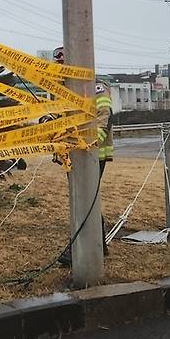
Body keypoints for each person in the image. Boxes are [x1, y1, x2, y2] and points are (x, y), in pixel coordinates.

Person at [53, 47, 113, 263]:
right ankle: (99, 244)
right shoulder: (62, 89)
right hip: (72, 154)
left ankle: (79, 247)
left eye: (62, 65)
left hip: (92, 154)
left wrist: (89, 142)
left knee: (85, 200)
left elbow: (104, 116)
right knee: (84, 199)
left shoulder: (94, 87)